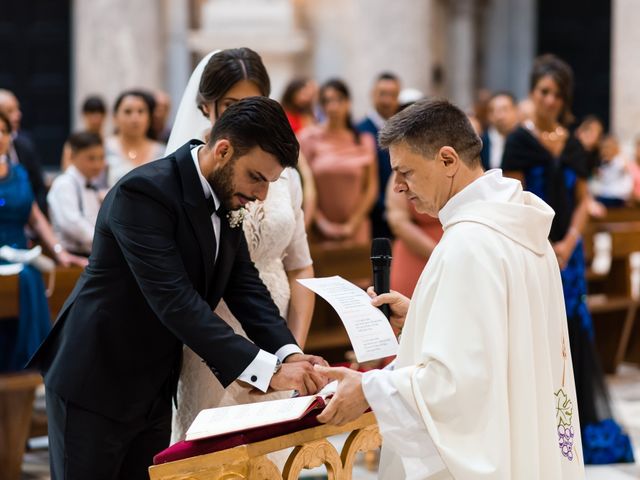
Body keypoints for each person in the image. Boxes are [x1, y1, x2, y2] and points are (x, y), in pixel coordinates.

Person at [27, 97, 327, 480]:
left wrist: (288, 354)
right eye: (257, 177)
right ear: (223, 151)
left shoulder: (227, 196)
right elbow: (175, 301)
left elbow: (244, 285)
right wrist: (266, 371)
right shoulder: (144, 193)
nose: (261, 195)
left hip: (153, 386)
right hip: (95, 381)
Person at [313, 98, 585, 479]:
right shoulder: (520, 223)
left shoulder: (469, 243)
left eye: (405, 171)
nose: (399, 186)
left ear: (447, 160)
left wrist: (368, 388)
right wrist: (421, 316)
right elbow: (503, 341)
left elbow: (455, 388)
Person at [166, 48, 316, 443]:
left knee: (274, 447)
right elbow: (178, 292)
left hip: (271, 317)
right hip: (210, 328)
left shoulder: (280, 174)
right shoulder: (199, 177)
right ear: (206, 106)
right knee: (215, 449)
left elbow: (297, 264)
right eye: (231, 104)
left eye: (251, 104)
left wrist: (291, 347)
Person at [502, 54, 634, 464]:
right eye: (544, 91)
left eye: (557, 94)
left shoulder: (573, 141)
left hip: (567, 254)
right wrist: (544, 242)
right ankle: (538, 428)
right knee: (536, 332)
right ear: (533, 92)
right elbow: (514, 196)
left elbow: (582, 200)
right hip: (533, 246)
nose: (550, 100)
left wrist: (571, 240)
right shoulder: (519, 140)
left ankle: (572, 429)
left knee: (573, 334)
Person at [0, 111, 86, 372]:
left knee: (33, 277)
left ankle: (28, 370)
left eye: (3, 131)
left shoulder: (19, 172)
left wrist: (59, 251)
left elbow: (35, 217)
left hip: (20, 253)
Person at [299, 79, 378, 245]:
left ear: (348, 103)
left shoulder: (363, 140)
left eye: (338, 100)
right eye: (327, 101)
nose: (333, 107)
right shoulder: (308, 138)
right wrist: (322, 224)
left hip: (356, 230)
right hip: (318, 231)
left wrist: (352, 224)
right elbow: (303, 186)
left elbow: (371, 187)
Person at [357, 72, 401, 239]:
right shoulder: (359, 131)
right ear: (372, 94)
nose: (387, 100)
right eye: (383, 94)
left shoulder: (404, 131)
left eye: (393, 95)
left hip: (402, 215)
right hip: (371, 218)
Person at [48, 132, 106, 256]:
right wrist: (104, 241)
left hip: (91, 251)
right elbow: (72, 224)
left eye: (101, 158)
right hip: (72, 255)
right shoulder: (64, 183)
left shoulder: (92, 184)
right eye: (91, 158)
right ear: (73, 156)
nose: (97, 164)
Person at [385, 176, 442, 298]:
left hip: (457, 248)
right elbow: (398, 222)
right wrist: (439, 253)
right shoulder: (401, 174)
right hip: (414, 253)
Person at [0, 89, 48, 214]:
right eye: (10, 111)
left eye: (17, 109)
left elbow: (38, 186)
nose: (18, 115)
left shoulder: (25, 143)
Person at [105, 89, 165, 186]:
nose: (135, 118)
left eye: (141, 111)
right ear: (115, 117)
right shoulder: (103, 149)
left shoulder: (163, 152)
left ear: (149, 117)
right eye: (128, 112)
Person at [61, 95, 108, 172]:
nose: (96, 118)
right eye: (91, 113)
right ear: (84, 115)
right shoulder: (74, 141)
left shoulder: (110, 142)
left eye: (99, 113)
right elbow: (67, 168)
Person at [588, 135, 633, 207]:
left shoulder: (620, 162)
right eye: (603, 148)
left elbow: (626, 176)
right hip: (605, 195)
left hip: (617, 197)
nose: (605, 150)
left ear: (615, 148)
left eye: (608, 147)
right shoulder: (602, 163)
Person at [479, 91, 519, 171]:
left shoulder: (525, 139)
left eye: (505, 110)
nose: (500, 116)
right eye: (495, 111)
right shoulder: (481, 143)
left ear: (516, 111)